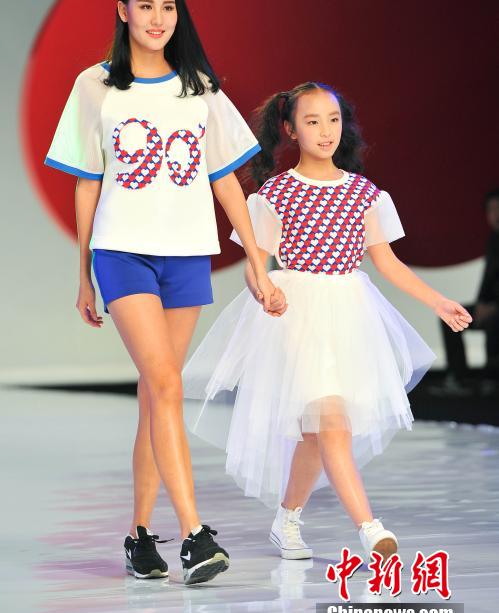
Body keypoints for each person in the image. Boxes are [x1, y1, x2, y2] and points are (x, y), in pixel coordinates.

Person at [44, 0, 280, 584]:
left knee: (157, 395)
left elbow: (225, 179)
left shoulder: (199, 87)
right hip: (122, 252)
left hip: (186, 254)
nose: (157, 19)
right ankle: (195, 536)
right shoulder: (95, 85)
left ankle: (139, 536)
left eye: (168, 7)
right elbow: (87, 183)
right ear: (122, 11)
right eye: (145, 6)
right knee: (167, 385)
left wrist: (257, 264)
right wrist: (83, 273)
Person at [183, 82, 472, 562]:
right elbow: (258, 264)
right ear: (290, 129)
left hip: (350, 315)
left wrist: (438, 302)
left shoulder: (364, 194)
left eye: (333, 119)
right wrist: (263, 290)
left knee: (319, 432)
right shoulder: (276, 193)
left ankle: (287, 518)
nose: (325, 130)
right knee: (331, 423)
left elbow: (387, 262)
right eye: (312, 121)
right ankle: (369, 527)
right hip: (296, 316)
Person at [440, 188, 499, 383]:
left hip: (496, 310)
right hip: (490, 305)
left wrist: (493, 307)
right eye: (491, 210)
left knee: (494, 321)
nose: (495, 214)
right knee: (451, 318)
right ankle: (459, 379)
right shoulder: (493, 240)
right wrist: (481, 303)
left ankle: (491, 380)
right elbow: (488, 279)